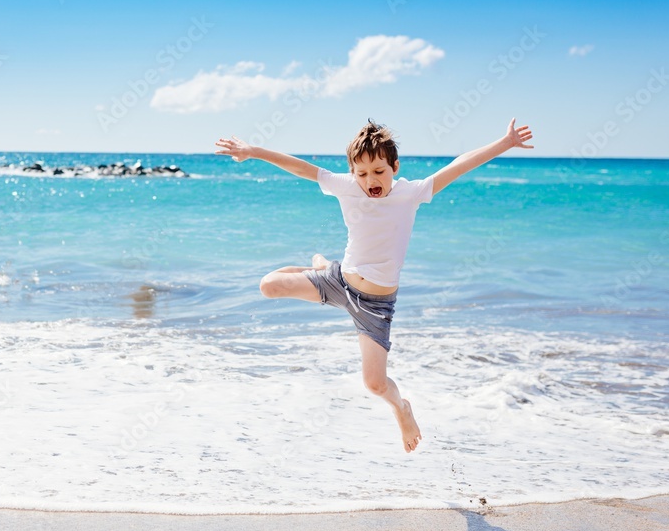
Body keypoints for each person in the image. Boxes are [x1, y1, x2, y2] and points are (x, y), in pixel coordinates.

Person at [214, 118, 534, 453]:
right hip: (339, 283)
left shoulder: (412, 193)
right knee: (268, 286)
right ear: (353, 172)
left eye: (379, 171)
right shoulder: (346, 186)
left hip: (374, 307)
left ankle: (402, 409)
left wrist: (505, 143)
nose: (371, 181)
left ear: (394, 166)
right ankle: (322, 268)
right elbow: (299, 167)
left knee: (375, 384)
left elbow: (458, 166)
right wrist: (253, 151)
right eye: (362, 174)